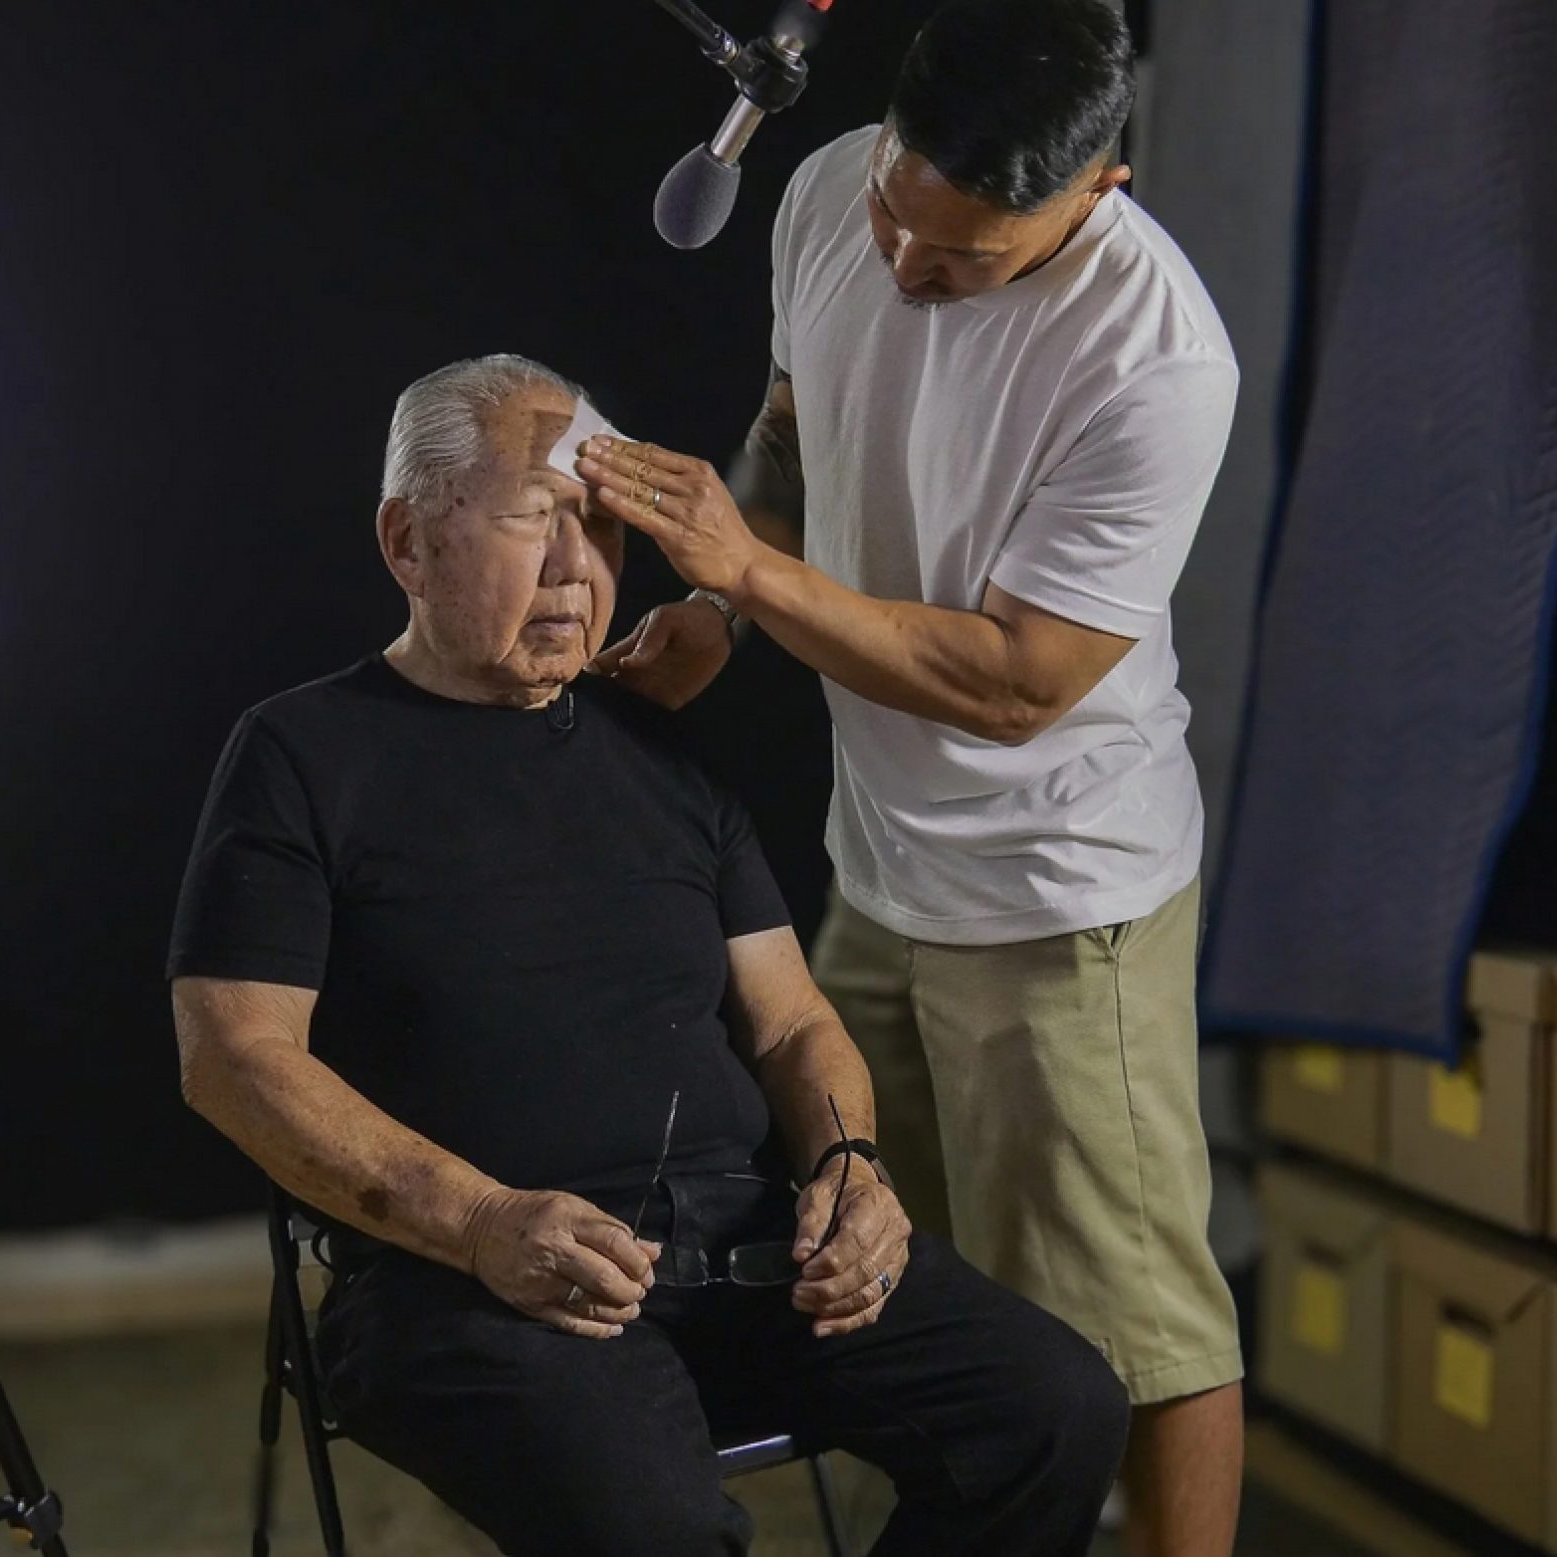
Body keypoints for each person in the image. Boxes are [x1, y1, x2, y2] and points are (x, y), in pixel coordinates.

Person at [168, 354, 1127, 1556]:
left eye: (603, 530)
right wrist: (478, 1220)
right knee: (657, 1532)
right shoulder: (303, 755)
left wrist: (850, 1166)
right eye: (536, 524)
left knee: (1054, 1410)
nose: (581, 572)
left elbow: (789, 1023)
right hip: (466, 1282)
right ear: (409, 543)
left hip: (744, 1248)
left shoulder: (654, 747)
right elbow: (235, 1059)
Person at [574, 3, 1243, 1551]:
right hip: (881, 872)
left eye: (962, 258)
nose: (905, 267)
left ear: (1102, 190)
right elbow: (795, 442)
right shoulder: (826, 198)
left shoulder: (1154, 362)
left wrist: (744, 569)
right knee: (897, 1292)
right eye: (897, 212)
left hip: (1059, 897)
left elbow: (1014, 685)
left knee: (1136, 1336)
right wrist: (719, 609)